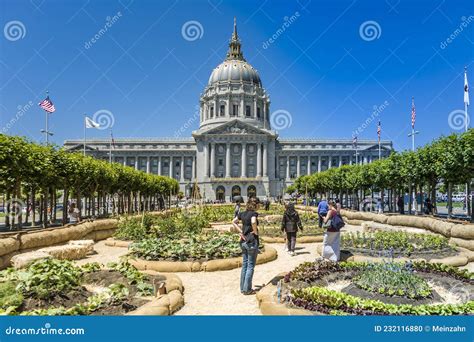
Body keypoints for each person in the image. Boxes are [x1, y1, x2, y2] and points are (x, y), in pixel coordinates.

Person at [232, 198, 259, 295]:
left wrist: (241, 231)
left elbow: (233, 221)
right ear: (255, 205)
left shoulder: (242, 213)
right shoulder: (253, 214)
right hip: (251, 241)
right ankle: (247, 289)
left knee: (245, 265)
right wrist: (255, 231)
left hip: (243, 241)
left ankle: (243, 288)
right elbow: (253, 221)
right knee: (250, 266)